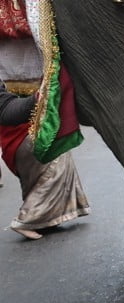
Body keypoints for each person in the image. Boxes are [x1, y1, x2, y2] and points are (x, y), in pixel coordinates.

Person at [0, 83, 90, 239]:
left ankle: (46, 217)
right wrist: (38, 98)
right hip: (21, 133)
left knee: (41, 177)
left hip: (30, 128)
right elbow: (5, 110)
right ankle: (27, 220)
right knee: (55, 149)